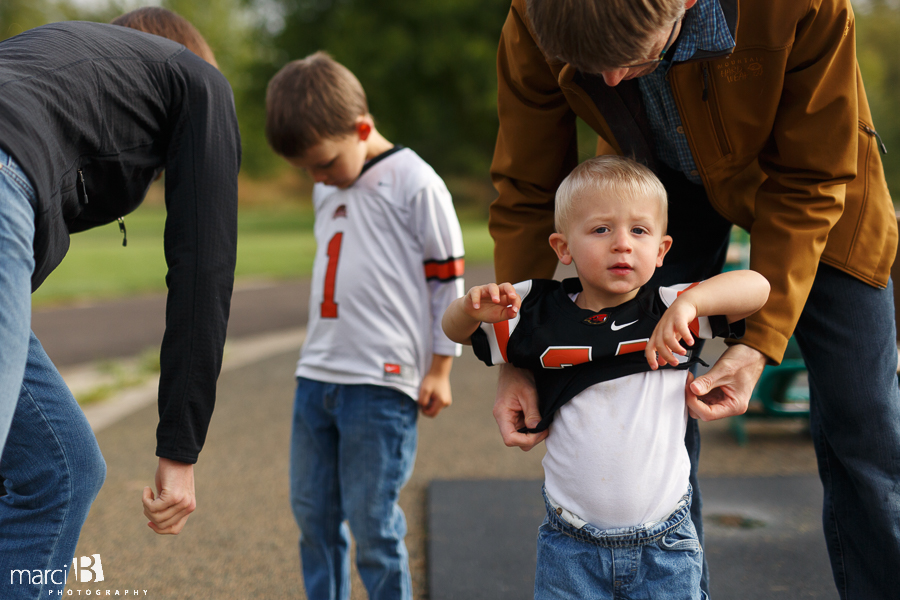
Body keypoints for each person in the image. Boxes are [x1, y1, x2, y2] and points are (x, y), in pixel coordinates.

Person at [489, 0, 900, 596]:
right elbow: (528, 186)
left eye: (632, 57)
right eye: (587, 65)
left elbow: (811, 180)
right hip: (659, 196)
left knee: (867, 430)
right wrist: (521, 353)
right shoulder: (534, 16)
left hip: (818, 194)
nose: (607, 82)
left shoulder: (801, 6)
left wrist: (758, 341)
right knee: (655, 401)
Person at [443, 156, 769, 599]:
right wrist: (468, 308)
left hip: (665, 543)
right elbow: (454, 331)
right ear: (563, 248)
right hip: (570, 546)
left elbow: (758, 287)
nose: (622, 244)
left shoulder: (671, 306)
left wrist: (691, 306)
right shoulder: (535, 309)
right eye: (601, 229)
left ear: (661, 250)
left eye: (639, 230)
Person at [0, 9, 240, 599]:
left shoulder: (49, 58)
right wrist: (179, 452)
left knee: (61, 467)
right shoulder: (199, 82)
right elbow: (203, 269)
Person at [265, 51, 466, 600]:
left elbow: (447, 282)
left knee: (373, 523)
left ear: (361, 128)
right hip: (317, 373)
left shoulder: (415, 181)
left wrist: (441, 367)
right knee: (313, 515)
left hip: (382, 381)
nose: (317, 176)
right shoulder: (326, 186)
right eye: (307, 169)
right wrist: (325, 174)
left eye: (324, 162)